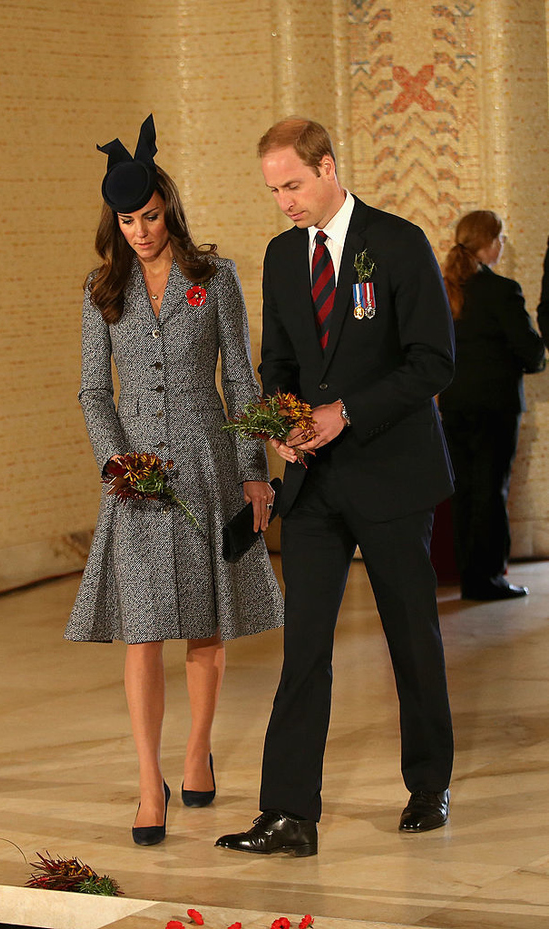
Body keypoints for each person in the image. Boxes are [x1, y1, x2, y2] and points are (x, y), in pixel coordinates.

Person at [215, 117, 455, 858]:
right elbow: (278, 362)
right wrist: (283, 421)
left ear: (327, 167)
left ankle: (428, 782)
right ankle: (288, 812)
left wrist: (346, 411)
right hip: (314, 484)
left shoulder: (399, 243)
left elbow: (432, 362)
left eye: (292, 184)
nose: (283, 201)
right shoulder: (283, 257)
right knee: (305, 646)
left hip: (392, 473)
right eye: (273, 190)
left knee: (409, 636)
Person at [65, 115, 284, 846]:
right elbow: (94, 391)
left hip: (208, 466)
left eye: (150, 217)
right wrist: (116, 461)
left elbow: (243, 377)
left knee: (203, 620)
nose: (140, 231)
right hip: (135, 479)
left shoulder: (213, 277)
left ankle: (196, 753)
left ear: (169, 210)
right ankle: (145, 780)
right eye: (127, 220)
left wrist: (257, 471)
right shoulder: (102, 288)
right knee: (143, 631)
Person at [439, 211, 545, 600]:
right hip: (495, 407)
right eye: (500, 239)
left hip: (453, 404)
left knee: (464, 491)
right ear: (489, 243)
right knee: (490, 491)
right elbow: (532, 354)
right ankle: (488, 579)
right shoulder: (503, 290)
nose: (502, 246)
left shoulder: (444, 288)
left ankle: (470, 575)